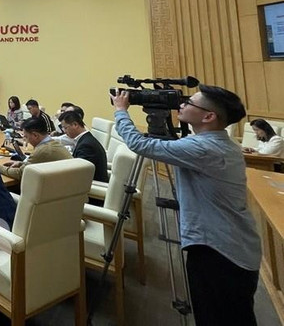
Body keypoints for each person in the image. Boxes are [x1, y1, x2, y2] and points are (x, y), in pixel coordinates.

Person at [112, 86, 261, 326]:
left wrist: (121, 110)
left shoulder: (203, 148)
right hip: (232, 245)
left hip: (217, 251)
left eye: (189, 102)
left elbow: (141, 145)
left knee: (216, 317)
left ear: (208, 116)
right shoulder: (218, 142)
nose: (181, 105)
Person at [0, 116, 71, 181]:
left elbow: (20, 174)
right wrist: (22, 164)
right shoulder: (53, 143)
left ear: (35, 135)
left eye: (26, 137)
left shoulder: (43, 150)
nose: (26, 140)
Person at [60, 110, 108, 182]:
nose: (64, 131)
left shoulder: (86, 145)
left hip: (93, 185)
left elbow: (81, 172)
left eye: (65, 128)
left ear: (75, 125)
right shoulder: (86, 139)